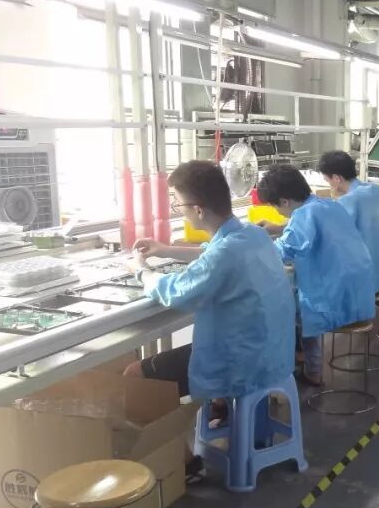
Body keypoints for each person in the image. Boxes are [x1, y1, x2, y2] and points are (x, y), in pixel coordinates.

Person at [127, 160, 296, 482]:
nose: (178, 210)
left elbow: (174, 291)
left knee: (135, 374)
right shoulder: (253, 235)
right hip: (271, 353)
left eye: (178, 204)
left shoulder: (224, 254)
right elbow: (214, 253)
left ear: (198, 210)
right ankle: (221, 408)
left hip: (241, 360)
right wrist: (165, 249)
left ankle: (184, 463)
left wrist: (140, 270)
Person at [257, 164, 376, 386]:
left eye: (274, 206)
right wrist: (278, 228)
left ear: (284, 201)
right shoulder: (328, 205)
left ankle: (311, 370)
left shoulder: (304, 215)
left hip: (336, 297)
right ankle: (304, 356)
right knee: (294, 299)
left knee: (288, 310)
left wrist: (252, 246)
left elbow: (284, 250)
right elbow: (306, 229)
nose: (277, 212)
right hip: (358, 289)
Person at [318, 150, 379, 336]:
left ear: (336, 178)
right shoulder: (375, 190)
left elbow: (331, 233)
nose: (329, 184)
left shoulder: (349, 200)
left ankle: (310, 342)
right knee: (375, 291)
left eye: (327, 180)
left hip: (366, 272)